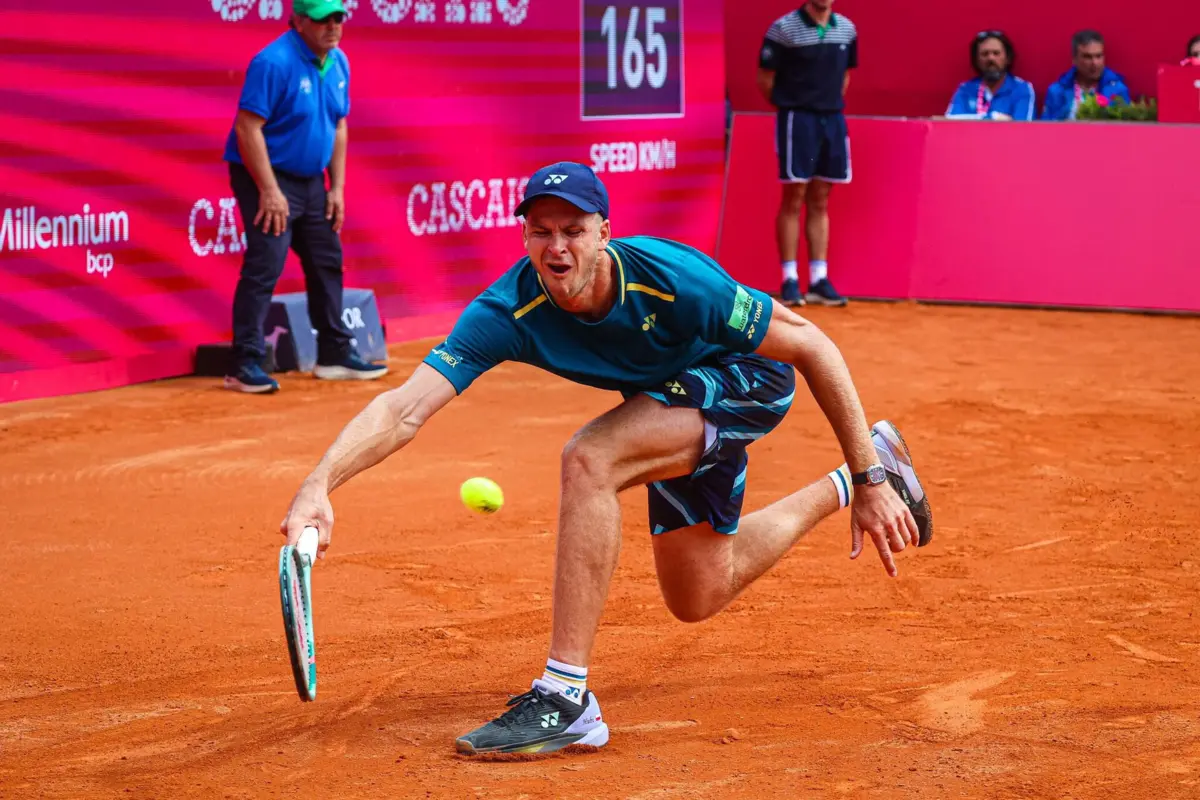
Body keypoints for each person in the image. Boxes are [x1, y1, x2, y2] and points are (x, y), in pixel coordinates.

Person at [279, 161, 934, 756]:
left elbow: (813, 345)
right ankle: (844, 481)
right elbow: (403, 409)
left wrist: (874, 482)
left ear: (604, 234)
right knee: (699, 593)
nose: (557, 247)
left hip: (749, 379)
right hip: (670, 400)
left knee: (591, 457)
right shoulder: (509, 309)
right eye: (541, 231)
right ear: (524, 236)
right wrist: (319, 483)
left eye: (574, 230)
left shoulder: (674, 281)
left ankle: (565, 698)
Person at [223, 0, 387, 394]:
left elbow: (339, 125)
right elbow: (247, 128)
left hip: (313, 180)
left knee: (326, 259)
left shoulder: (339, 62)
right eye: (321, 19)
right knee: (266, 263)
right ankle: (244, 363)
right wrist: (269, 190)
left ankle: (333, 353)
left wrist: (337, 187)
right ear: (298, 21)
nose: (332, 26)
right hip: (265, 175)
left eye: (338, 18)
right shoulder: (273, 62)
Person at [757, 0, 856, 308]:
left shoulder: (847, 29)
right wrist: (795, 105)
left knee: (821, 198)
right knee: (794, 195)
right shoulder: (783, 29)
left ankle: (818, 279)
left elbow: (844, 77)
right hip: (797, 120)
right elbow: (766, 80)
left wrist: (824, 104)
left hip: (832, 119)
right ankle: (789, 279)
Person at [945, 31, 1036, 121]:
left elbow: (1023, 127)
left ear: (1007, 58)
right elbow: (951, 123)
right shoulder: (965, 89)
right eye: (985, 54)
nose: (991, 58)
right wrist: (993, 117)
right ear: (976, 60)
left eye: (996, 53)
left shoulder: (1022, 88)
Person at [1042, 30, 1131, 121]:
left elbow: (1126, 125)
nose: (1095, 63)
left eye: (1098, 56)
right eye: (1087, 57)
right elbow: (1045, 126)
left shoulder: (1118, 90)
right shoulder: (1057, 91)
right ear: (1074, 59)